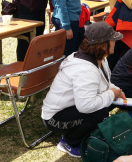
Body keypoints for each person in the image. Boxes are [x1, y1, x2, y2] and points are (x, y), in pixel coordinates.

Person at [42, 22, 125, 158]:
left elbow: (104, 82)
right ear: (103, 45)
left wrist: (115, 91)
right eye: (113, 40)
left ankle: (79, 133)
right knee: (101, 112)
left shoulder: (99, 58)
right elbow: (86, 106)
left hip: (70, 107)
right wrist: (111, 94)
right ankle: (69, 142)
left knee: (105, 106)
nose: (115, 42)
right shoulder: (85, 69)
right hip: (54, 117)